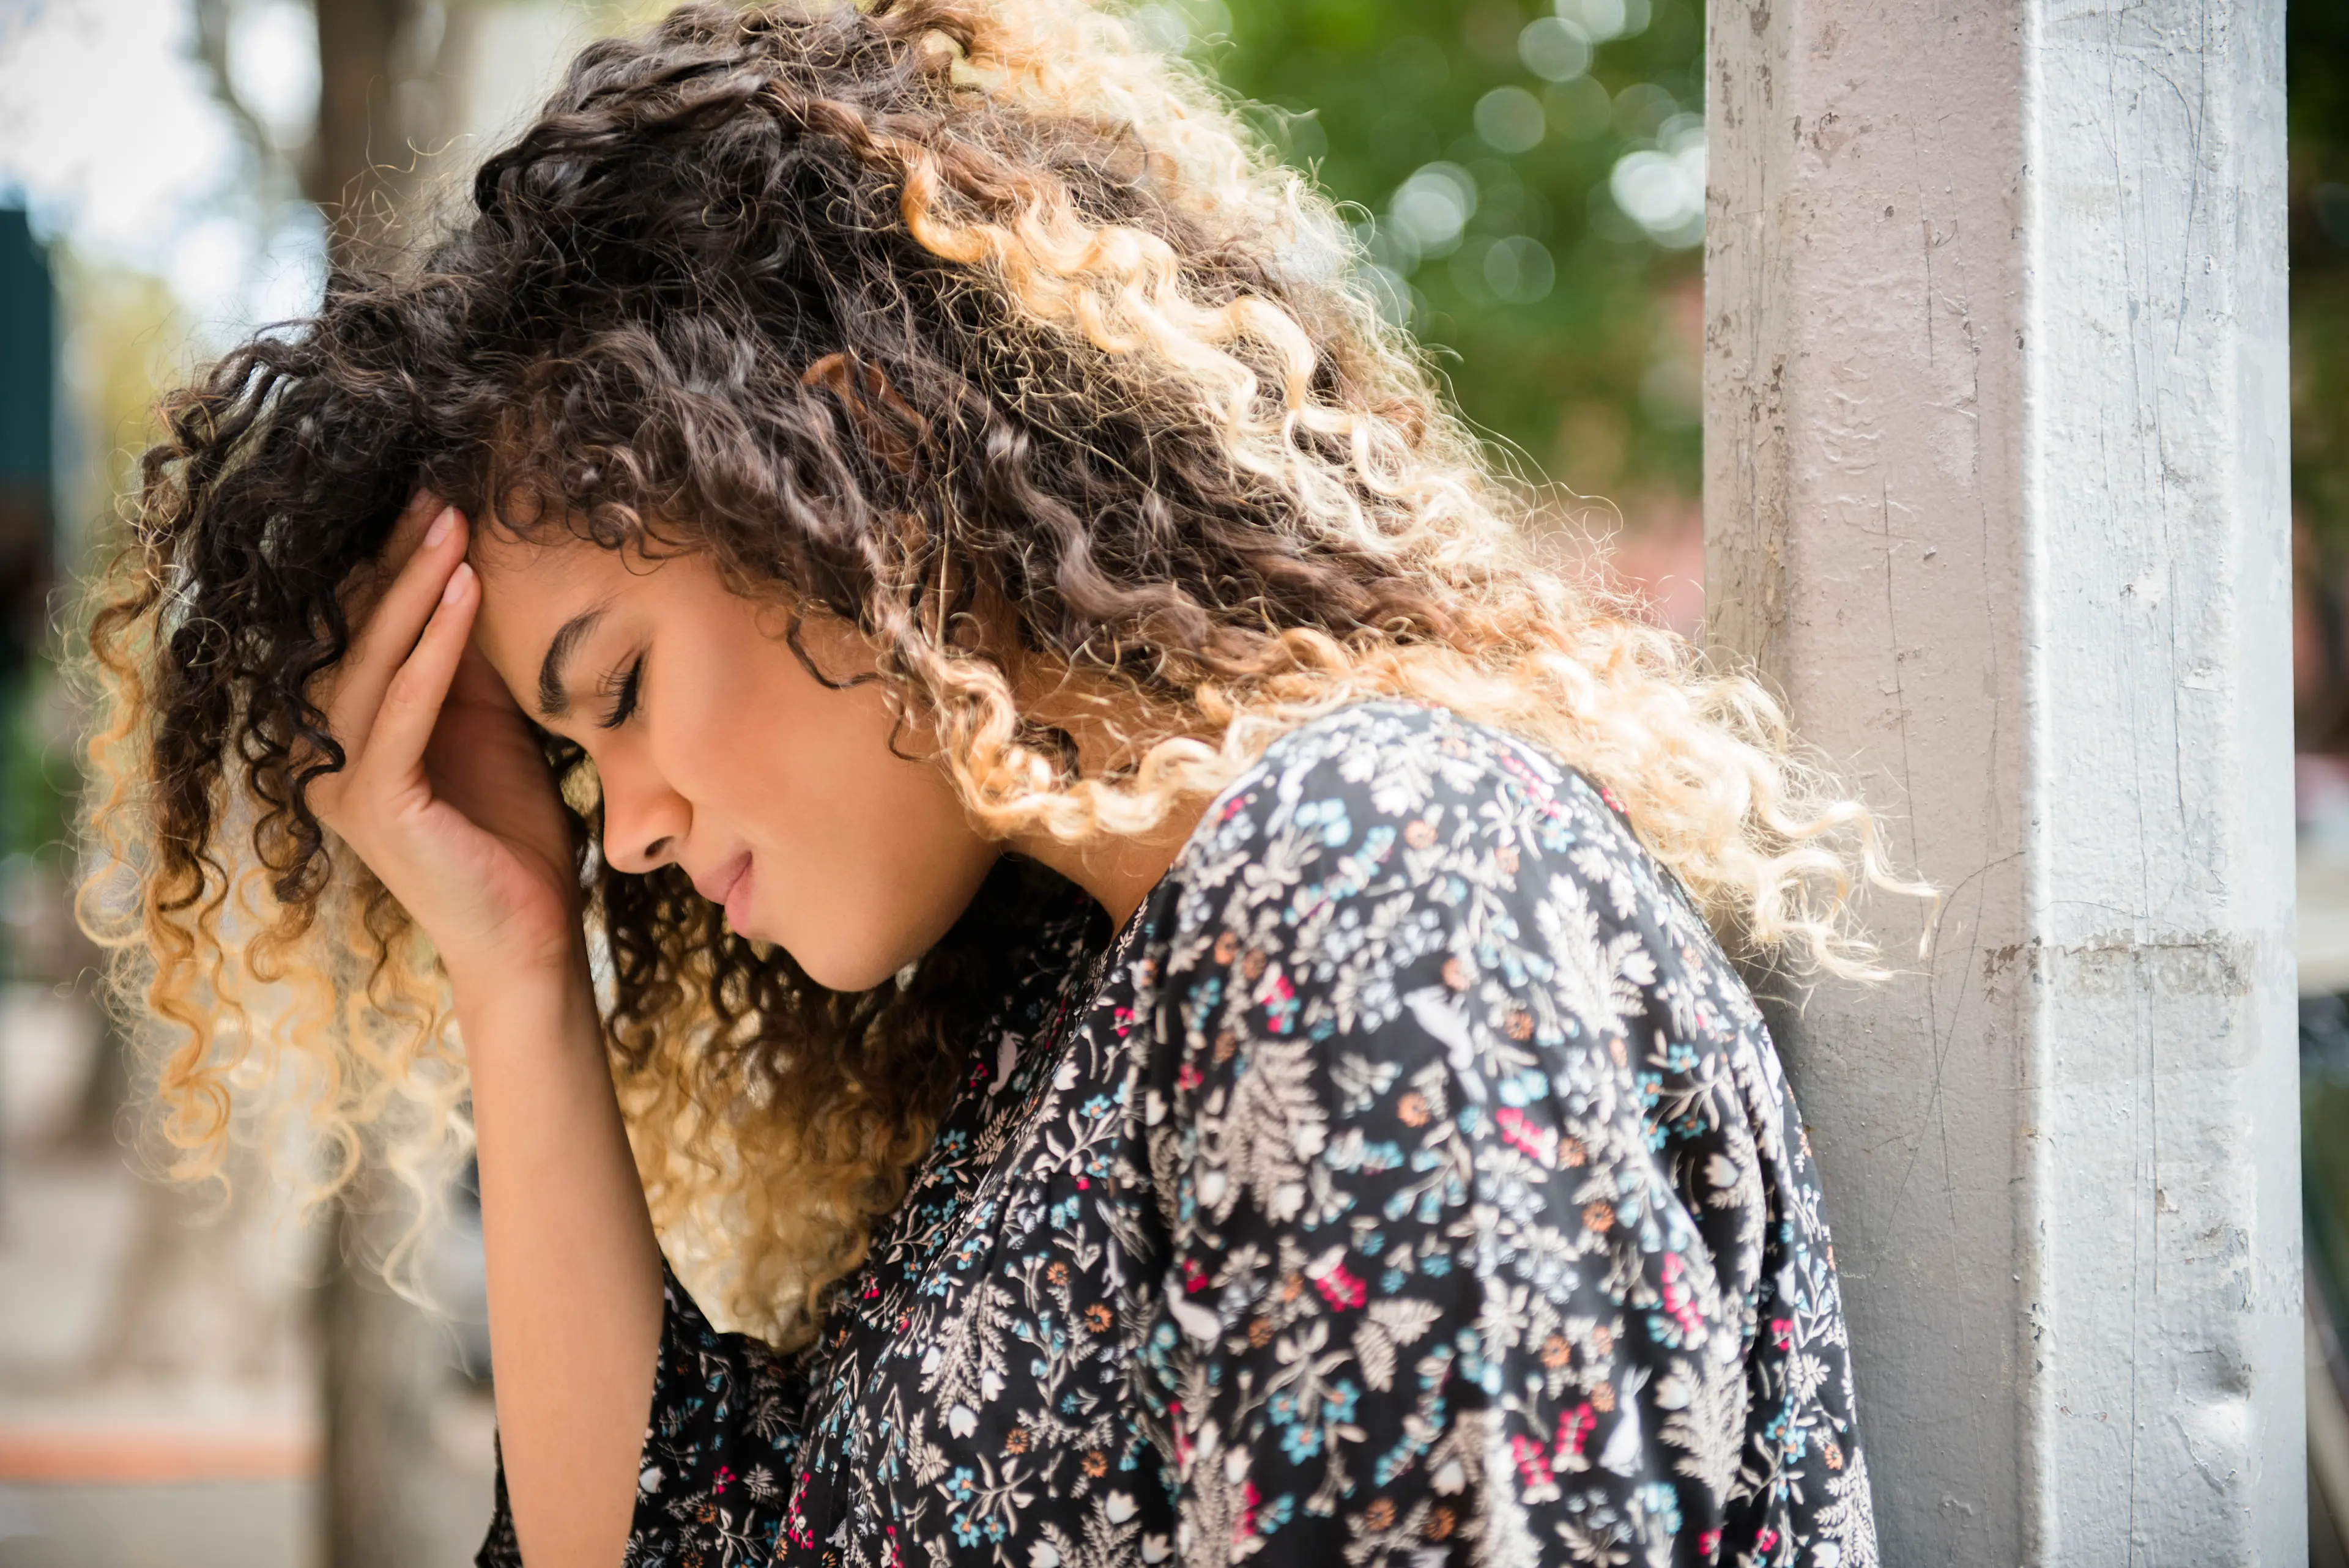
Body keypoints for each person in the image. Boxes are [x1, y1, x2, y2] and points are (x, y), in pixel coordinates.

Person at [80, 2, 1914, 1562]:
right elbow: (682, 1531)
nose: (622, 819)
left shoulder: (1385, 892)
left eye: (616, 690)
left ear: (857, 460)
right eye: (578, 766)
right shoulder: (1075, 996)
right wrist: (518, 959)